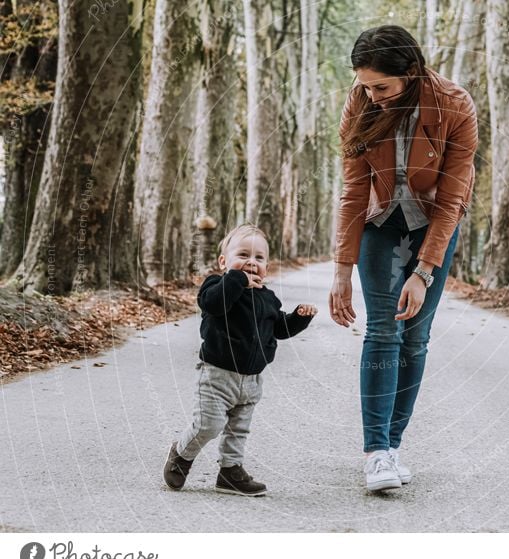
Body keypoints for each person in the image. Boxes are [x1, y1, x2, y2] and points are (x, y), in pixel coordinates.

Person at [329, 25, 478, 491]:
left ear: (411, 72)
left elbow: (453, 198)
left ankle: (392, 447)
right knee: (383, 329)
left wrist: (424, 272)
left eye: (381, 87)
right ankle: (375, 453)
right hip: (380, 219)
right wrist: (341, 270)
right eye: (364, 85)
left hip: (434, 223)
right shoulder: (359, 101)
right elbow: (354, 189)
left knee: (415, 338)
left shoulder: (456, 105)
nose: (370, 96)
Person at [164, 224, 317, 496]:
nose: (251, 262)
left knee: (239, 430)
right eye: (243, 255)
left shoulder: (267, 298)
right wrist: (236, 280)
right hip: (216, 376)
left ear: (266, 267)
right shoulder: (217, 285)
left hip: (252, 381)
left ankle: (230, 472)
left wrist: (299, 318)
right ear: (223, 261)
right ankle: (181, 454)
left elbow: (279, 329)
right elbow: (212, 304)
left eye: (259, 258)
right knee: (208, 425)